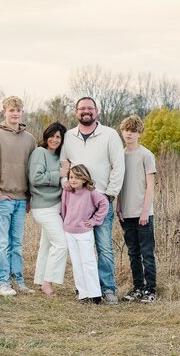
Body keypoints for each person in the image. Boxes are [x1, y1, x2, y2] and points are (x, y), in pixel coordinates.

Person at [60, 96, 125, 304]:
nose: (86, 111)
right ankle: (85, 289)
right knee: (81, 250)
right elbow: (64, 163)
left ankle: (107, 289)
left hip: (100, 200)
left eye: (90, 108)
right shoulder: (70, 136)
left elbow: (118, 166)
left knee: (104, 247)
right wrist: (64, 181)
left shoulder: (110, 135)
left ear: (96, 111)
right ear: (76, 112)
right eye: (81, 109)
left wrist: (110, 194)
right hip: (78, 203)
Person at [0, 95, 36, 296]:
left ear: (22, 112)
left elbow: (32, 170)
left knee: (17, 243)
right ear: (4, 111)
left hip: (21, 199)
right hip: (1, 198)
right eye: (11, 110)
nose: (15, 113)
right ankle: (2, 282)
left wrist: (30, 197)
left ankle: (17, 280)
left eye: (18, 110)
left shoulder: (29, 139)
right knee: (1, 242)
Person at [116, 115, 158, 303]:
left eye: (133, 131)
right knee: (133, 253)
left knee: (147, 253)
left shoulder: (146, 155)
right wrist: (118, 206)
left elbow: (150, 186)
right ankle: (138, 288)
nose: (129, 134)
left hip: (143, 214)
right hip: (126, 213)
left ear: (139, 133)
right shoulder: (120, 155)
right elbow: (119, 184)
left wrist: (144, 211)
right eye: (126, 130)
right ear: (122, 131)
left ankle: (151, 290)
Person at [28, 122, 68, 297]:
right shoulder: (40, 153)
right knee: (61, 244)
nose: (54, 139)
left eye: (58, 137)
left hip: (56, 205)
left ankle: (40, 279)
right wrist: (58, 174)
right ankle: (47, 283)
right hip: (43, 207)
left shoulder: (60, 157)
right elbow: (35, 178)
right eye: (51, 136)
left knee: (47, 245)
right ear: (46, 137)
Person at [61, 164, 109, 303]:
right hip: (69, 231)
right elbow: (64, 208)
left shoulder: (90, 193)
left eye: (77, 177)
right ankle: (83, 294)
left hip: (84, 233)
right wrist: (66, 222)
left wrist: (94, 220)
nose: (73, 180)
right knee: (76, 264)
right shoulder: (67, 192)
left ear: (84, 179)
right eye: (71, 177)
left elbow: (104, 204)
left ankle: (95, 295)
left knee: (88, 262)